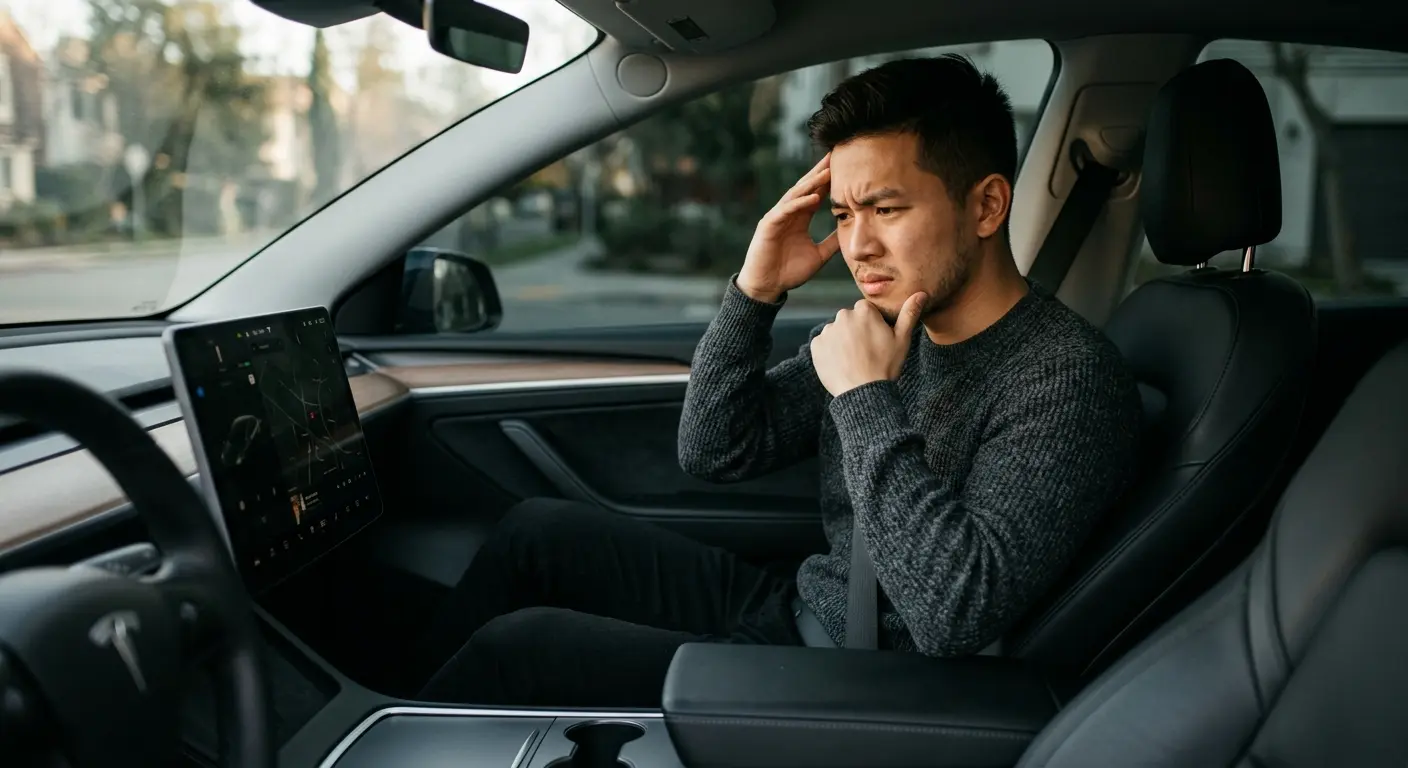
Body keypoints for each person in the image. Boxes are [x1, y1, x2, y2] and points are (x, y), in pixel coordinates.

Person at [409, 55, 1143, 708]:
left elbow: (951, 613)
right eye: (845, 213)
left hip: (857, 678)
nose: (858, 245)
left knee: (523, 650)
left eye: (886, 209)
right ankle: (392, 702)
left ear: (985, 205)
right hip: (801, 605)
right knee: (537, 532)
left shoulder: (1066, 380)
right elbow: (715, 449)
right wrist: (756, 290)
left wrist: (865, 400)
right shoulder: (895, 327)